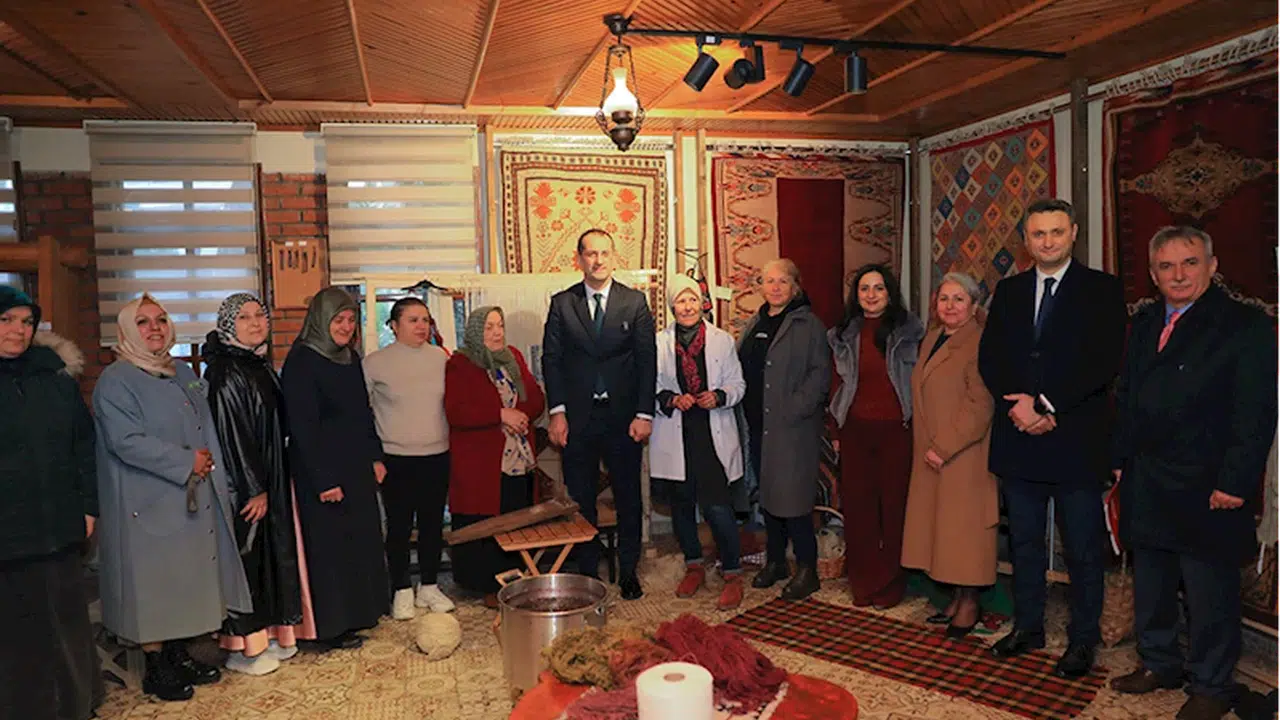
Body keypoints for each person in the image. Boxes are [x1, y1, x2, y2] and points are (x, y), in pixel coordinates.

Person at [1109, 227, 1277, 720]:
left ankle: (1212, 685)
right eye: (1166, 266)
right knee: (1153, 583)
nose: (1178, 275)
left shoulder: (1244, 324)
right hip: (1148, 476)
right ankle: (1159, 662)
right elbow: (1127, 395)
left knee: (1209, 592)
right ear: (1153, 273)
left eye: (1189, 263)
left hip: (1208, 482)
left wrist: (1235, 481)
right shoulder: (1144, 323)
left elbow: (1256, 412)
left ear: (1212, 265)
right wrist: (1118, 458)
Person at [978, 198, 1127, 677]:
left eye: (1056, 232)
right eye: (1038, 234)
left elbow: (1103, 360)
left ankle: (1082, 641)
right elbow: (991, 357)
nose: (1047, 241)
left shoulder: (1102, 290)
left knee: (1082, 549)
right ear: (1026, 240)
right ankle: (1028, 628)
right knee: (1024, 544)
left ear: (1073, 233)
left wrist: (1046, 404)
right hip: (1019, 438)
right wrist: (1019, 406)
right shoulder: (1009, 291)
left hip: (1075, 441)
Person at [93, 293, 252, 701]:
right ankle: (156, 667)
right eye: (143, 322)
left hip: (189, 496)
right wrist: (185, 461)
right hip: (146, 500)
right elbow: (125, 441)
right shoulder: (116, 380)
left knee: (183, 580)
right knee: (153, 585)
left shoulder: (180, 371)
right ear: (127, 331)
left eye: (161, 320)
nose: (155, 328)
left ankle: (180, 654)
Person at [0, 288, 102, 719]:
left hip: (59, 526)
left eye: (26, 322)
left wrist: (89, 506)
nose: (18, 331)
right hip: (9, 535)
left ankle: (77, 705)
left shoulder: (54, 376)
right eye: (6, 320)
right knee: (17, 634)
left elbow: (83, 445)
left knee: (68, 624)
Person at [541, 229, 656, 600]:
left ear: (614, 257)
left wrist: (644, 413)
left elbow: (647, 361)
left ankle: (629, 571)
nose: (598, 260)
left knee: (628, 498)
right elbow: (552, 361)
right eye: (591, 254)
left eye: (605, 253)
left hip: (624, 418)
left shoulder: (634, 302)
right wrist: (557, 412)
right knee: (582, 500)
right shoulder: (562, 304)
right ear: (579, 259)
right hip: (579, 419)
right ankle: (588, 575)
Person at [204, 292, 314, 675]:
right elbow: (231, 435)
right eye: (244, 317)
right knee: (249, 562)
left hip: (270, 477)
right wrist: (254, 488)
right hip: (247, 487)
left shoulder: (255, 362)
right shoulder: (225, 371)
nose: (254, 323)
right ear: (228, 325)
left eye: (259, 315)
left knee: (271, 559)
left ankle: (273, 635)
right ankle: (243, 648)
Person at [280, 287, 389, 650]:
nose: (345, 327)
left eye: (350, 320)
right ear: (320, 320)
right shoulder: (302, 361)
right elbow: (303, 427)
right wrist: (324, 479)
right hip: (324, 472)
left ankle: (359, 616)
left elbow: (363, 412)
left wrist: (375, 456)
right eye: (337, 320)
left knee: (359, 544)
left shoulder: (349, 357)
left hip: (356, 467)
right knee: (331, 552)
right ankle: (331, 629)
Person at [900, 273, 995, 638]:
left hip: (963, 453)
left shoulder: (980, 342)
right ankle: (956, 597)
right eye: (944, 299)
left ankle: (970, 601)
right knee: (943, 530)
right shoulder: (933, 338)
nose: (950, 306)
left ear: (973, 305)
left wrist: (944, 447)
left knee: (964, 531)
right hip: (933, 451)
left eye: (959, 299)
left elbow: (980, 405)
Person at [828, 264, 924, 609]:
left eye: (878, 288)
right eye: (864, 288)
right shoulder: (842, 335)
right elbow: (836, 384)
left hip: (897, 430)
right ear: (856, 295)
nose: (871, 295)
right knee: (859, 508)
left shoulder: (909, 331)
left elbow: (920, 381)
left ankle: (890, 583)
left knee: (894, 508)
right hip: (854, 430)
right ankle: (863, 581)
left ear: (890, 293)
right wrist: (836, 430)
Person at [651, 275, 748, 610]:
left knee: (718, 507)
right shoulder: (658, 343)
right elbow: (649, 386)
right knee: (681, 505)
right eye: (681, 301)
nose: (688, 307)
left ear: (702, 303)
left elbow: (738, 384)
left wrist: (719, 396)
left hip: (711, 433)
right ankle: (694, 565)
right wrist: (671, 399)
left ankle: (732, 572)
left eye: (693, 299)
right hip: (676, 433)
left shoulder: (722, 341)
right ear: (671, 306)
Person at [739, 259, 832, 601]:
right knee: (768, 497)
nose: (775, 287)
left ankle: (807, 570)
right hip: (758, 426)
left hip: (793, 428)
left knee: (793, 499)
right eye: (769, 281)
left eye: (783, 281)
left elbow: (820, 376)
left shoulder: (809, 325)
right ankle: (776, 561)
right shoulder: (755, 323)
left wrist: (794, 409)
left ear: (795, 286)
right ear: (760, 286)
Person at [445, 306, 545, 606]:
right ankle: (483, 585)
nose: (497, 332)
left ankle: (514, 582)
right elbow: (457, 411)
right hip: (481, 463)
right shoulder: (461, 363)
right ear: (476, 330)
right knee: (486, 522)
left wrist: (519, 415)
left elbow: (536, 399)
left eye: (499, 325)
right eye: (488, 327)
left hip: (518, 458)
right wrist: (500, 414)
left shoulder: (513, 357)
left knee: (515, 517)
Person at [364, 297, 454, 620]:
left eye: (425, 320)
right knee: (399, 527)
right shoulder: (375, 363)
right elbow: (361, 415)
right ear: (394, 325)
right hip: (396, 459)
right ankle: (401, 588)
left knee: (432, 526)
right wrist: (373, 458)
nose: (421, 326)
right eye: (413, 320)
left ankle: (428, 586)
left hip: (437, 455)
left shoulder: (441, 358)